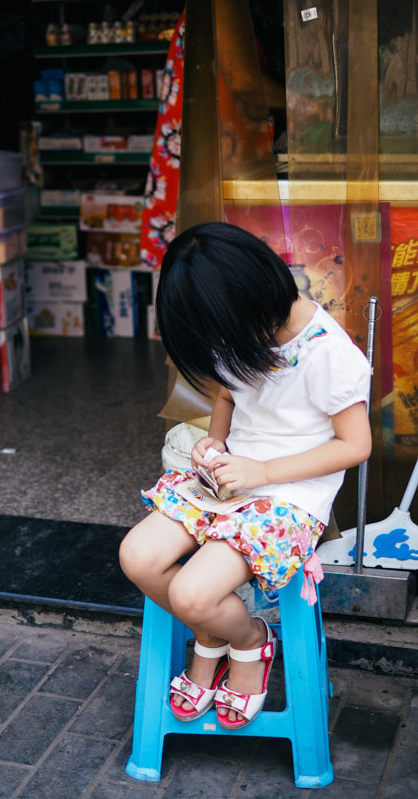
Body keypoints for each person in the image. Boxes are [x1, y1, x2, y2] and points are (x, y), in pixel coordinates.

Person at [119, 221, 372, 730]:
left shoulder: (329, 355)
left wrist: (264, 470)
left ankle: (250, 641)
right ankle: (214, 634)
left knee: (193, 593)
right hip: (231, 480)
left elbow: (356, 445)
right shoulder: (241, 329)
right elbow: (229, 393)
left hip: (288, 496)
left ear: (249, 300)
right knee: (137, 557)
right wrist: (217, 440)